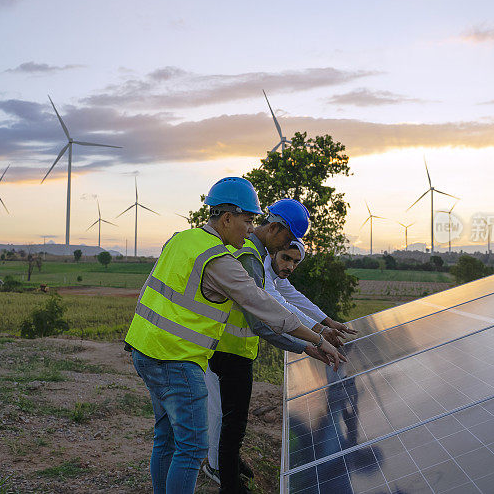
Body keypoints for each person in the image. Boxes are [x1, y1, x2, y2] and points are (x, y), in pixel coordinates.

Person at [124, 178, 345, 494]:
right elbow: (264, 306)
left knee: (167, 438)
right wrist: (316, 340)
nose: (251, 228)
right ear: (227, 218)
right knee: (192, 449)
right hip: (175, 357)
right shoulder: (218, 259)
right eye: (248, 220)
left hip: (143, 348)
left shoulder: (180, 239)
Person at [202, 199, 348, 493]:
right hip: (225, 349)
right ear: (276, 229)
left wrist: (323, 323)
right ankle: (225, 477)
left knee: (232, 418)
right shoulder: (251, 259)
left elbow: (288, 298)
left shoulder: (258, 257)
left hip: (236, 348)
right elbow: (266, 315)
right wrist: (313, 340)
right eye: (288, 241)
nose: (288, 251)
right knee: (227, 418)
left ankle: (225, 464)